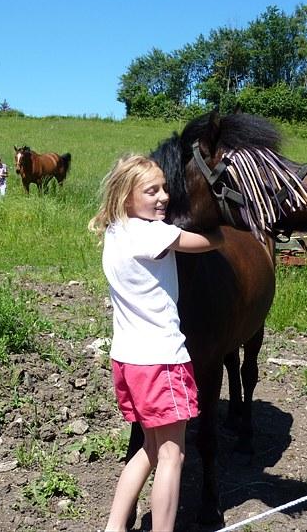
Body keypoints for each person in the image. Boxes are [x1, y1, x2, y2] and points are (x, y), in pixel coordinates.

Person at [88, 154, 223, 532]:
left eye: (165, 187)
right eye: (151, 191)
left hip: (128, 361)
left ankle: (114, 528)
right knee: (172, 455)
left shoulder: (116, 230)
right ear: (125, 197)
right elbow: (206, 242)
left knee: (149, 448)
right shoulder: (154, 235)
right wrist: (226, 228)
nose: (164, 196)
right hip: (160, 360)